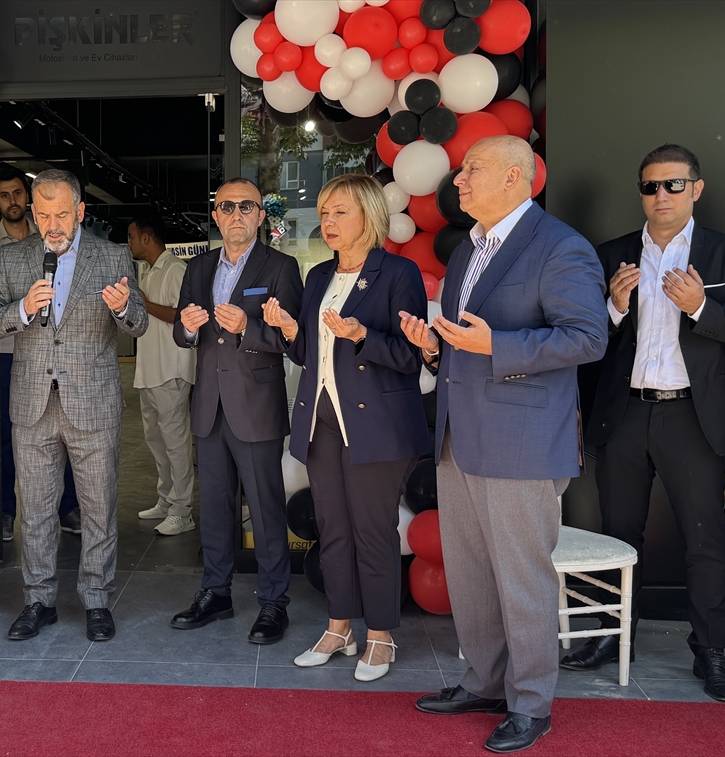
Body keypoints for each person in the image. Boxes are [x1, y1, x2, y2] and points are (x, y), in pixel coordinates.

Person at [399, 136, 608, 753]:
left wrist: (498, 346)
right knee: (471, 576)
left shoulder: (560, 246)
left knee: (522, 580)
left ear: (515, 177)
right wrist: (434, 347)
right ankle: (486, 683)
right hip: (459, 436)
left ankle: (532, 704)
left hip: (521, 442)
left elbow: (588, 337)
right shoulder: (470, 248)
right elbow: (465, 341)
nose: (458, 181)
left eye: (472, 169)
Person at [565, 144, 725, 703]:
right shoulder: (613, 254)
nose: (662, 195)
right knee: (616, 535)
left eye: (674, 184)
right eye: (651, 186)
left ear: (696, 189)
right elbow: (582, 338)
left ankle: (711, 651)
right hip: (626, 411)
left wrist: (701, 307)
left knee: (705, 539)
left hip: (692, 415)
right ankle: (613, 638)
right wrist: (612, 307)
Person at [263, 174, 429, 681]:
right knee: (331, 528)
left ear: (369, 217)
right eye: (324, 212)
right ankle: (339, 629)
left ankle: (380, 636)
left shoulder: (398, 273)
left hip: (377, 425)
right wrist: (290, 330)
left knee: (373, 532)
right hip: (321, 421)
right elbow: (309, 355)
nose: (328, 222)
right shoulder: (318, 276)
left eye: (340, 212)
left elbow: (410, 357)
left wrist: (361, 336)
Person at [0, 169, 148, 642]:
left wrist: (122, 308)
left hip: (92, 403)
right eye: (43, 215)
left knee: (98, 507)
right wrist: (21, 309)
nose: (52, 225)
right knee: (35, 510)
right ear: (33, 213)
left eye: (61, 214)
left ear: (80, 211)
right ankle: (38, 600)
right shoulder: (13, 258)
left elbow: (139, 323)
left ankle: (96, 599)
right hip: (32, 403)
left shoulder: (112, 256)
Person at [169, 177, 303, 645]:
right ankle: (216, 592)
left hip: (256, 405)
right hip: (209, 404)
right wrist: (187, 329)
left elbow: (293, 337)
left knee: (266, 508)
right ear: (216, 216)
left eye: (247, 206)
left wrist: (249, 326)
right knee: (214, 507)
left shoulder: (281, 266)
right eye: (227, 207)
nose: (236, 214)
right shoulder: (199, 266)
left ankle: (274, 602)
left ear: (261, 216)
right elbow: (182, 332)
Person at [0, 165, 82, 542]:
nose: (12, 201)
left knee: (68, 430)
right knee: (7, 435)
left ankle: (68, 508)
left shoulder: (53, 233)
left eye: (17, 193)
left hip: (59, 355)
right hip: (8, 352)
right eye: (4, 195)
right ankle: (4, 510)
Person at [128, 213, 197, 536]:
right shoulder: (149, 271)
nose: (129, 243)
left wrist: (145, 304)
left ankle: (182, 511)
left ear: (146, 237)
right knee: (156, 440)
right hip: (150, 370)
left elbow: (184, 317)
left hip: (171, 369)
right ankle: (167, 499)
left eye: (131, 236)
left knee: (176, 443)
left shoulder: (175, 270)